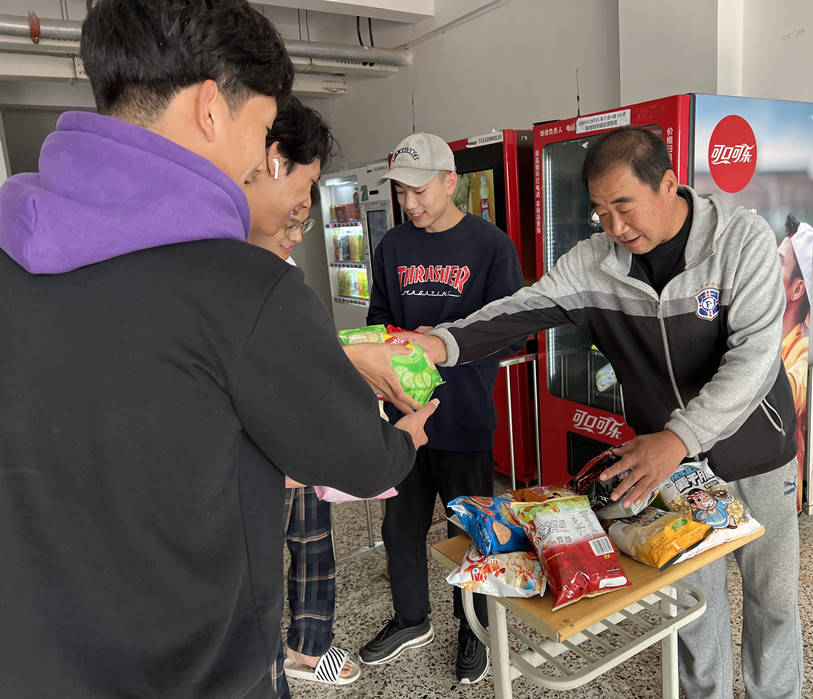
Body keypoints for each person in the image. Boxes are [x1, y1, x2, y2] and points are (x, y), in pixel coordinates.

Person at [0, 2, 436, 697]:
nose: (251, 164)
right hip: (200, 670)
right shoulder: (245, 288)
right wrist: (402, 441)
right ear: (211, 108)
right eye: (261, 131)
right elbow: (356, 457)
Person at [400, 126, 803, 698]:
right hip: (672, 469)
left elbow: (757, 357)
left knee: (773, 600)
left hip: (758, 453)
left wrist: (677, 437)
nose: (615, 227)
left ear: (668, 184)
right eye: (599, 211)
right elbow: (517, 311)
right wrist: (437, 344)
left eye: (624, 206)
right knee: (696, 602)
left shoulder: (741, 241)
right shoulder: (593, 264)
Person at [359, 132, 524, 684]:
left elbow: (513, 333)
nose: (409, 203)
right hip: (402, 416)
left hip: (464, 416)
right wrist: (392, 345)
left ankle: (473, 630)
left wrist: (446, 340)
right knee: (401, 526)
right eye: (400, 192)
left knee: (470, 533)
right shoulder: (393, 248)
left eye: (419, 190)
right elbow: (376, 321)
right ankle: (412, 618)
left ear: (451, 182)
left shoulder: (491, 247)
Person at [241, 98, 361, 692]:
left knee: (313, 544)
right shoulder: (222, 272)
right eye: (308, 184)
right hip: (264, 465)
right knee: (262, 566)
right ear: (272, 160)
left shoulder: (281, 272)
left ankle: (310, 647)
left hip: (302, 448)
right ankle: (286, 657)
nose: (304, 213)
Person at [780, 214, 813, 494]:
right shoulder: (774, 340)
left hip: (783, 486)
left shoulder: (802, 350)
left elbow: (785, 400)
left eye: (778, 263)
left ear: (797, 288)